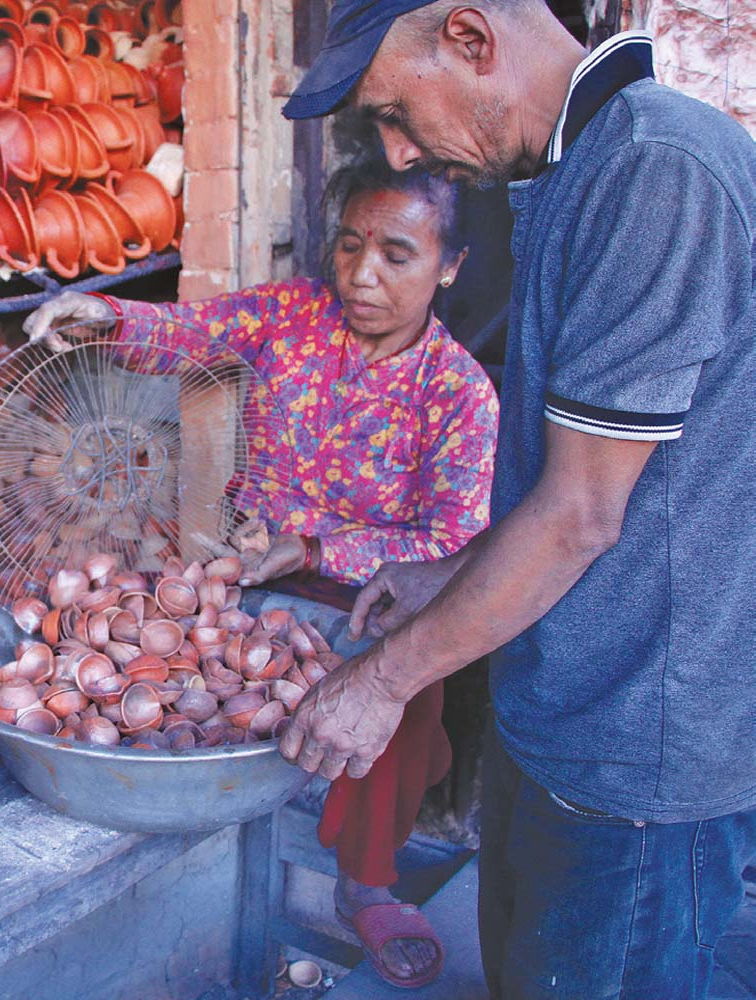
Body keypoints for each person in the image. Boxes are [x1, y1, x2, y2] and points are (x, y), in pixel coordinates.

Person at [277, 2, 756, 998]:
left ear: (470, 39)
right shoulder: (590, 166)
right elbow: (604, 480)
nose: (405, 151)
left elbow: (583, 515)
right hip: (571, 717)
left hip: (638, 753)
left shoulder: (657, 172)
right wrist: (449, 575)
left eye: (398, 112)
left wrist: (382, 681)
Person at [24, 161, 498, 988]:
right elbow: (197, 330)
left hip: (371, 598)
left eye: (396, 254)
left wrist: (314, 550)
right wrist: (105, 315)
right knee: (171, 656)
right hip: (247, 573)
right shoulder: (293, 314)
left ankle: (365, 879)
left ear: (448, 266)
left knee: (398, 688)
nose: (361, 275)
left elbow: (453, 542)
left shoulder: (458, 395)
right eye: (348, 246)